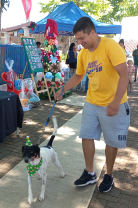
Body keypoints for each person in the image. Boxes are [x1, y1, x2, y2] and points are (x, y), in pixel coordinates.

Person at [54, 17, 130, 193]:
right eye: (78, 39)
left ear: (93, 32)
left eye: (82, 38)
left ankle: (109, 175)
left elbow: (124, 75)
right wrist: (63, 89)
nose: (80, 43)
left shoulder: (111, 46)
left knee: (111, 141)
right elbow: (79, 76)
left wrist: (116, 102)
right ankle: (89, 172)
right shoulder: (83, 54)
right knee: (86, 135)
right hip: (91, 101)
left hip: (114, 102)